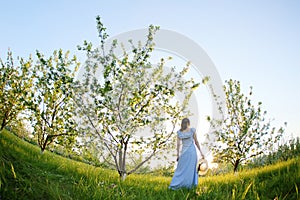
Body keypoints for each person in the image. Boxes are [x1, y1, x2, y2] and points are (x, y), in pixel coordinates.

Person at [169, 118, 204, 190]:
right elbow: (196, 142)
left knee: (180, 170)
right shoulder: (192, 130)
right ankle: (189, 186)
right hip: (192, 152)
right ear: (188, 123)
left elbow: (178, 145)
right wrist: (201, 152)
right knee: (191, 169)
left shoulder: (179, 132)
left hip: (184, 152)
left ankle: (175, 184)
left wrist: (178, 155)